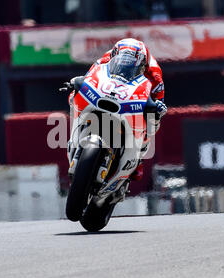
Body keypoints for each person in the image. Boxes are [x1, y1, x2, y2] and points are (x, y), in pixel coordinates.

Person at [60, 38, 167, 181]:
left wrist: (156, 107)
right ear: (115, 56)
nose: (125, 65)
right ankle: (78, 135)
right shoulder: (105, 58)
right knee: (73, 96)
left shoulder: (154, 75)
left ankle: (137, 160)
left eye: (131, 63)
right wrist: (77, 83)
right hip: (110, 90)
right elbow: (90, 76)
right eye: (122, 60)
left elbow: (158, 100)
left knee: (153, 122)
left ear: (143, 64)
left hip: (134, 96)